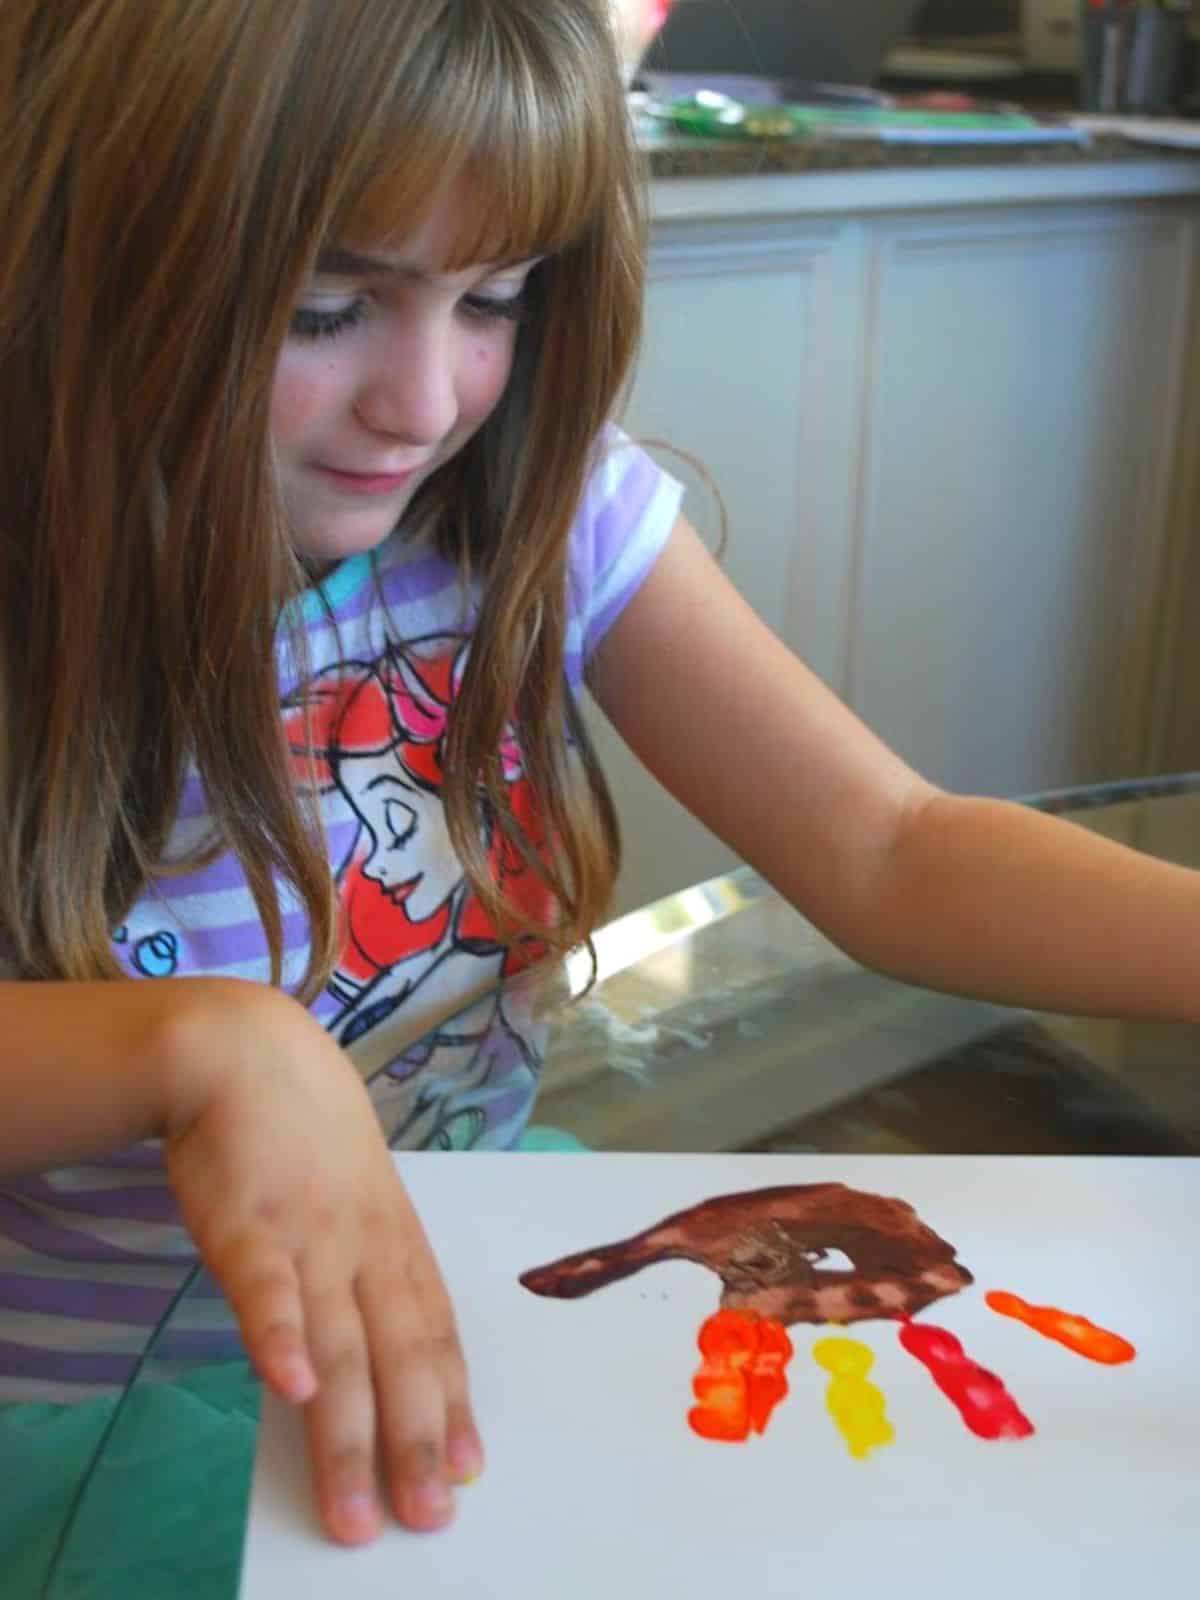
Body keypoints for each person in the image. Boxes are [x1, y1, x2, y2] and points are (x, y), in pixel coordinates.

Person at [2, 0, 1200, 1569]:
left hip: (482, 1281)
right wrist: (199, 1048)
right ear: (89, 248)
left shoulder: (535, 509)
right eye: (321, 311)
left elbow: (892, 848)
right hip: (98, 1428)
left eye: (494, 297)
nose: (424, 404)